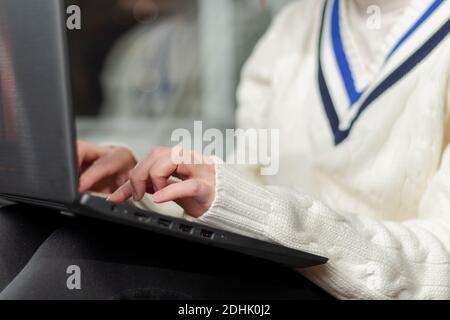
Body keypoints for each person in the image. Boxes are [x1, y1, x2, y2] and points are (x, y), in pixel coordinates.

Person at [1, 0, 449, 299]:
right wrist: (144, 187)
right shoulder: (295, 26)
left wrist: (245, 201)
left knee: (77, 266)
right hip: (274, 273)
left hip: (339, 290)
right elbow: (251, 198)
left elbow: (441, 269)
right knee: (14, 228)